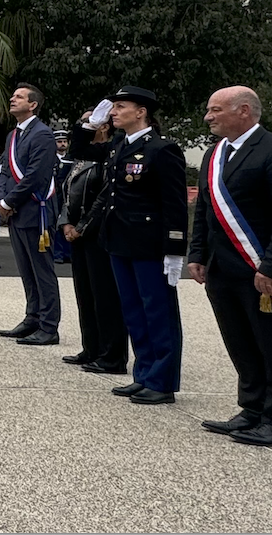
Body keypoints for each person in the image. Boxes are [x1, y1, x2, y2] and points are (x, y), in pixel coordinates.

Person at [189, 85, 272, 444]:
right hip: (223, 269)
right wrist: (197, 255)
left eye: (216, 110)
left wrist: (271, 268)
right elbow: (205, 212)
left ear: (244, 111)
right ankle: (252, 408)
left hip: (264, 271)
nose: (208, 117)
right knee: (240, 342)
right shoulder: (215, 154)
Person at [89, 85, 186, 405]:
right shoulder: (120, 146)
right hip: (119, 241)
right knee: (133, 311)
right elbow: (83, 150)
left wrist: (174, 249)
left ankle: (162, 380)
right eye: (112, 108)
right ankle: (143, 374)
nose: (114, 112)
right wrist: (92, 123)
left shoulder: (162, 149)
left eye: (120, 106)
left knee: (157, 311)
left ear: (141, 112)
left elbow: (174, 204)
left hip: (148, 245)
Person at [59, 112, 128, 375]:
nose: (83, 125)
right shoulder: (85, 156)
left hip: (96, 232)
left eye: (91, 121)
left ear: (106, 126)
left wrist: (81, 227)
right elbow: (68, 192)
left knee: (105, 296)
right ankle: (91, 347)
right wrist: (66, 222)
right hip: (76, 231)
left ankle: (110, 353)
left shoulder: (110, 153)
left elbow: (103, 198)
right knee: (85, 293)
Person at [0, 83, 60, 345]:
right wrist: (2, 199)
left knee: (42, 270)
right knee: (26, 269)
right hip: (16, 212)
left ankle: (49, 326)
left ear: (32, 104)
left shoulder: (42, 135)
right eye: (12, 96)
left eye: (19, 97)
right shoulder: (13, 136)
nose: (12, 99)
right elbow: (3, 170)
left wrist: (9, 201)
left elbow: (35, 175)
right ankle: (32, 318)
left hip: (35, 210)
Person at [50, 130, 74, 264]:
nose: (62, 144)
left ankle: (67, 253)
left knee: (67, 223)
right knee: (56, 225)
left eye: (64, 141)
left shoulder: (71, 159)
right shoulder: (50, 159)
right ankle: (57, 253)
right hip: (54, 196)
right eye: (59, 142)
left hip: (68, 196)